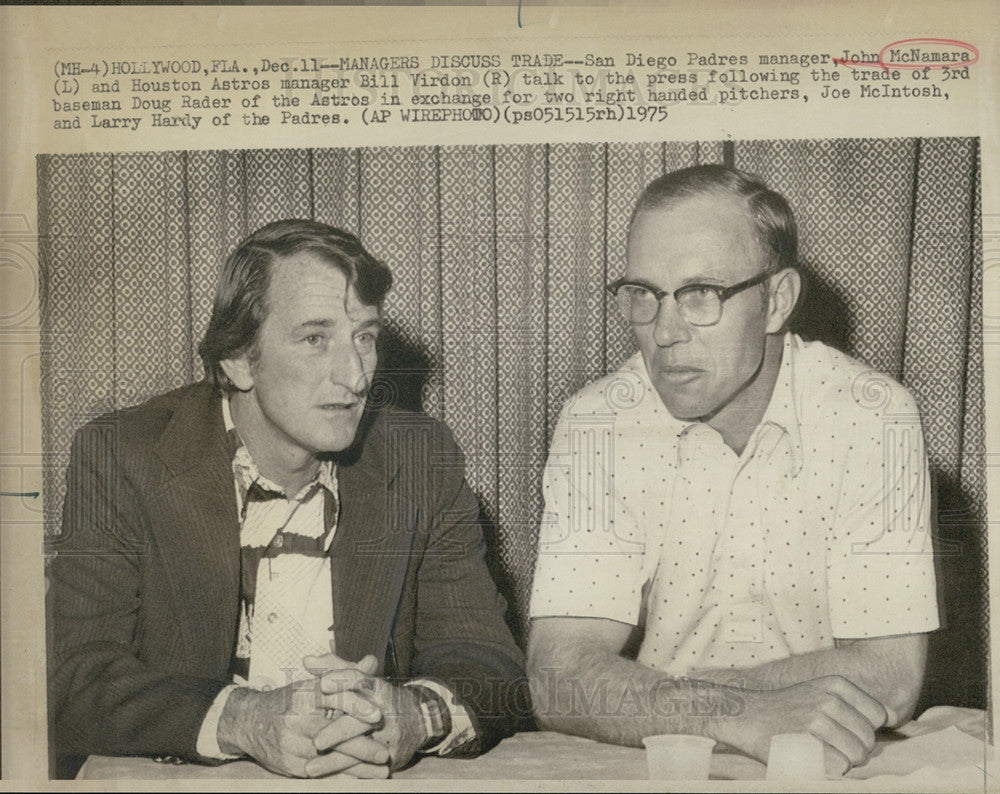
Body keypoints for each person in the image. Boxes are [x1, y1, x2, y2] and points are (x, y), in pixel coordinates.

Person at [47, 220, 527, 779]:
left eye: (364, 337)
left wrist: (414, 715)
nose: (354, 377)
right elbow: (72, 677)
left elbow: (492, 664)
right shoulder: (123, 456)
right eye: (314, 338)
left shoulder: (420, 459)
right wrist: (243, 719)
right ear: (236, 359)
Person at [527, 164, 939, 774]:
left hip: (831, 762)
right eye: (643, 294)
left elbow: (893, 676)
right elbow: (556, 677)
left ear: (777, 301)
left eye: (701, 295)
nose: (663, 333)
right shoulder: (597, 424)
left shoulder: (873, 417)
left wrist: (662, 695)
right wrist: (728, 711)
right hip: (664, 759)